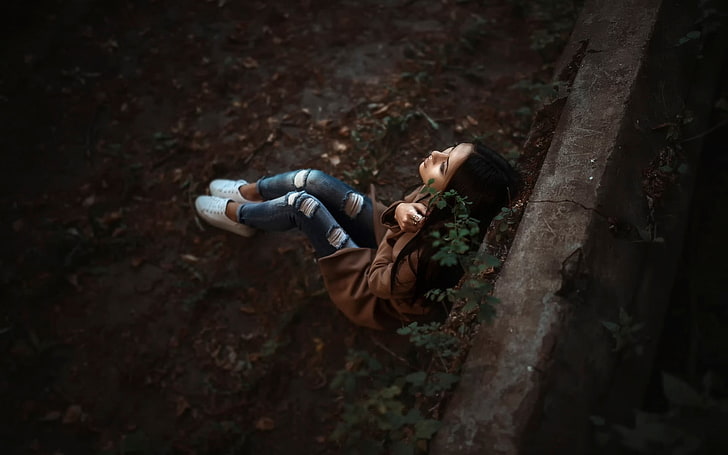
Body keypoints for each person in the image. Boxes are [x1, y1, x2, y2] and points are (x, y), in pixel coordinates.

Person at [194, 142, 518, 330]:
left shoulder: (426, 258)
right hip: (389, 243)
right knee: (314, 179)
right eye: (448, 150)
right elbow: (397, 217)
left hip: (368, 285)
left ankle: (235, 214)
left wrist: (393, 233)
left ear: (449, 201)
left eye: (444, 165)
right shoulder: (439, 202)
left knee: (302, 205)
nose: (435, 154)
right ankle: (247, 192)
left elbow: (378, 282)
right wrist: (401, 209)